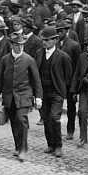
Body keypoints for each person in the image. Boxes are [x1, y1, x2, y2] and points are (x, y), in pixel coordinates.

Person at [0, 31, 42, 162]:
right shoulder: (5, 60)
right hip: (9, 96)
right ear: (11, 45)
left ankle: (23, 149)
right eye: (16, 45)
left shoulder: (29, 60)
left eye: (21, 45)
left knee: (22, 120)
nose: (19, 47)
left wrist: (38, 97)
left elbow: (36, 80)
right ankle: (18, 146)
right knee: (14, 121)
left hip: (24, 95)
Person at [37, 26, 73, 158]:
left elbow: (68, 77)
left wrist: (65, 91)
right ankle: (50, 144)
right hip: (42, 93)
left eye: (47, 40)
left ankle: (58, 146)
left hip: (57, 92)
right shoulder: (39, 53)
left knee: (54, 118)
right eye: (43, 40)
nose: (44, 42)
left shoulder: (63, 57)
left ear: (55, 40)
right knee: (46, 118)